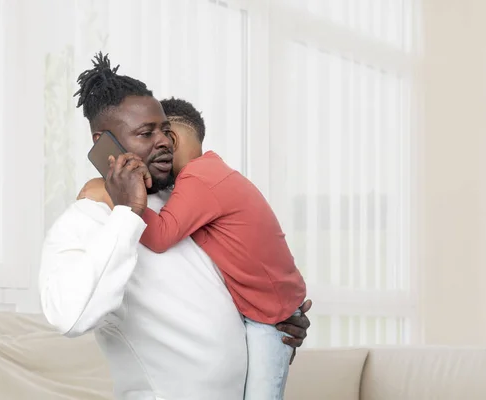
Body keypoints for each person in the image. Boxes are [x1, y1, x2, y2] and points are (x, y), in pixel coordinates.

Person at [39, 52, 311, 400]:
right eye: (146, 133)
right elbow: (67, 315)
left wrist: (278, 320)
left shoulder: (184, 207)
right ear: (104, 144)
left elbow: (244, 277)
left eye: (165, 130)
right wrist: (126, 212)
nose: (164, 140)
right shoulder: (90, 218)